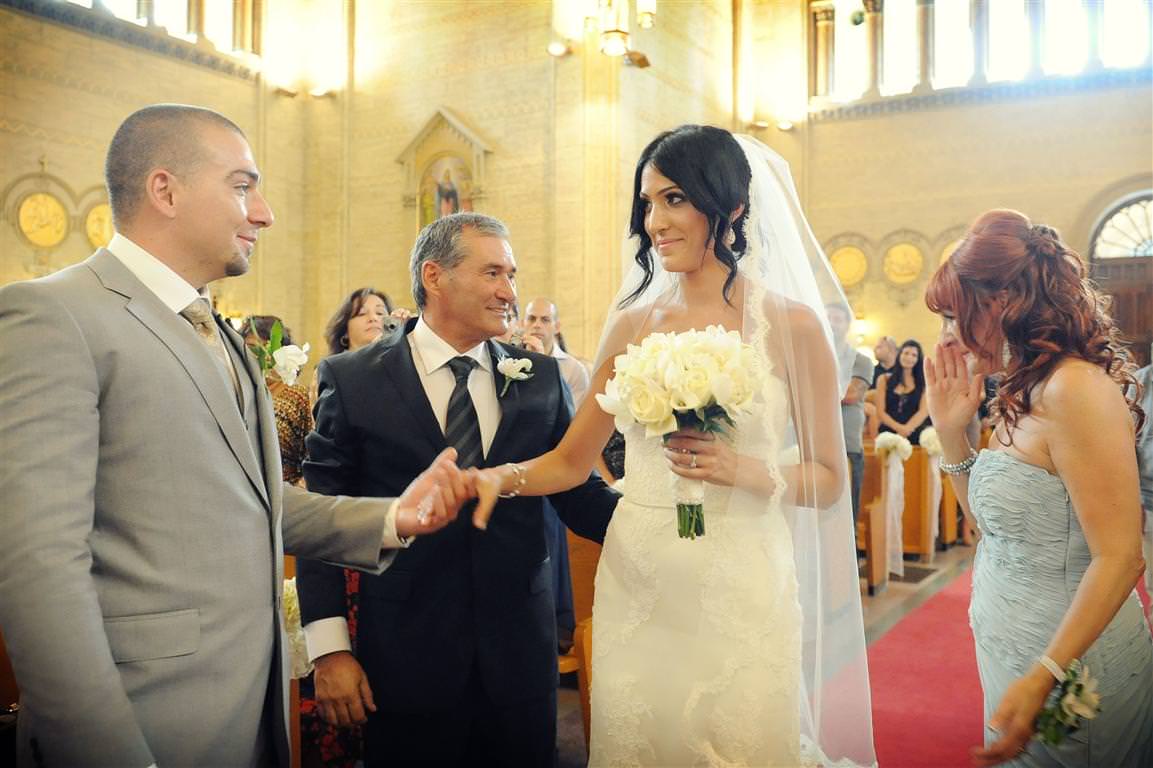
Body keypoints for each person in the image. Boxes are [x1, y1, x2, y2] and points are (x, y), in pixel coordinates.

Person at [0, 104, 471, 768]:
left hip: (248, 707)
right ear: (165, 190)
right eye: (242, 186)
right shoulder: (54, 316)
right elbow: (38, 572)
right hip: (146, 718)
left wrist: (396, 514)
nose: (264, 213)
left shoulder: (217, 329)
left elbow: (255, 503)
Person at [475, 125, 874, 766]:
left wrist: (740, 468)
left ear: (732, 207)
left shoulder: (793, 326)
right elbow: (572, 460)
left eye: (675, 199)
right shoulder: (633, 323)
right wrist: (497, 478)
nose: (655, 221)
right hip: (643, 573)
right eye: (649, 203)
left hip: (743, 575)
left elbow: (830, 476)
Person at [295, 212, 620, 767]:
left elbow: (579, 494)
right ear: (434, 276)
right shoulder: (353, 379)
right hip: (403, 654)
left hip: (520, 654)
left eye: (512, 275)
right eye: (493, 273)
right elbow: (321, 518)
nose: (509, 292)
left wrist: (665, 517)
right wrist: (329, 652)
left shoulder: (539, 379)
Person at [924, 209, 1152, 766]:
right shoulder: (1022, 389)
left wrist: (1047, 673)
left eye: (955, 316)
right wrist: (953, 434)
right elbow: (993, 529)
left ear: (1001, 302)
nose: (948, 336)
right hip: (1011, 641)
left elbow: (1121, 557)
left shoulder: (1074, 389)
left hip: (1071, 665)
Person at [241, 314, 312, 485]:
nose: (262, 356)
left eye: (268, 348)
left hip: (288, 493)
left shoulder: (298, 396)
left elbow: (314, 455)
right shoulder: (235, 392)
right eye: (252, 349)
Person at [828, 303, 873, 525]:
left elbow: (851, 394)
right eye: (827, 318)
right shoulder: (810, 356)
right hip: (811, 445)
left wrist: (808, 389)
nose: (831, 324)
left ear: (847, 326)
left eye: (837, 320)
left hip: (848, 445)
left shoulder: (861, 360)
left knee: (846, 514)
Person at [524, 296, 591, 406]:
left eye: (545, 320)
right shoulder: (510, 360)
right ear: (522, 323)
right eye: (531, 319)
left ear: (557, 327)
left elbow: (573, 415)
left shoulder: (574, 369)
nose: (537, 325)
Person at [877, 339, 931, 445]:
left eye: (914, 355)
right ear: (899, 354)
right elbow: (880, 412)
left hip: (914, 430)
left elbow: (923, 412)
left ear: (918, 359)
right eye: (906, 353)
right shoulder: (884, 379)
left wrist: (906, 429)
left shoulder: (923, 382)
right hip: (889, 429)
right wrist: (899, 428)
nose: (909, 357)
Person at [323, 287, 399, 356]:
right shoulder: (331, 368)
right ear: (345, 331)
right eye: (361, 313)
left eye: (380, 313)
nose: (373, 318)